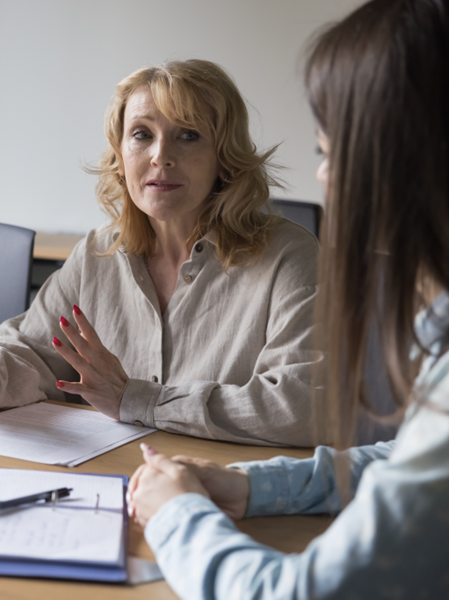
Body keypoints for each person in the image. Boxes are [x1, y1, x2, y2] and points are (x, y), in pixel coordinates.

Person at [127, 0, 449, 597]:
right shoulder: (103, 250)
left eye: (328, 150)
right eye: (141, 134)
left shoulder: (292, 255)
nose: (323, 176)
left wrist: (176, 513)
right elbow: (410, 462)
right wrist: (254, 486)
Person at [0, 60, 321, 447]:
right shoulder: (96, 255)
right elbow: (33, 353)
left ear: (226, 159)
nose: (160, 155)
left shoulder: (291, 258)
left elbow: (304, 405)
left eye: (189, 134)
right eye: (142, 134)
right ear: (121, 158)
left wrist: (136, 399)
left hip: (221, 495)